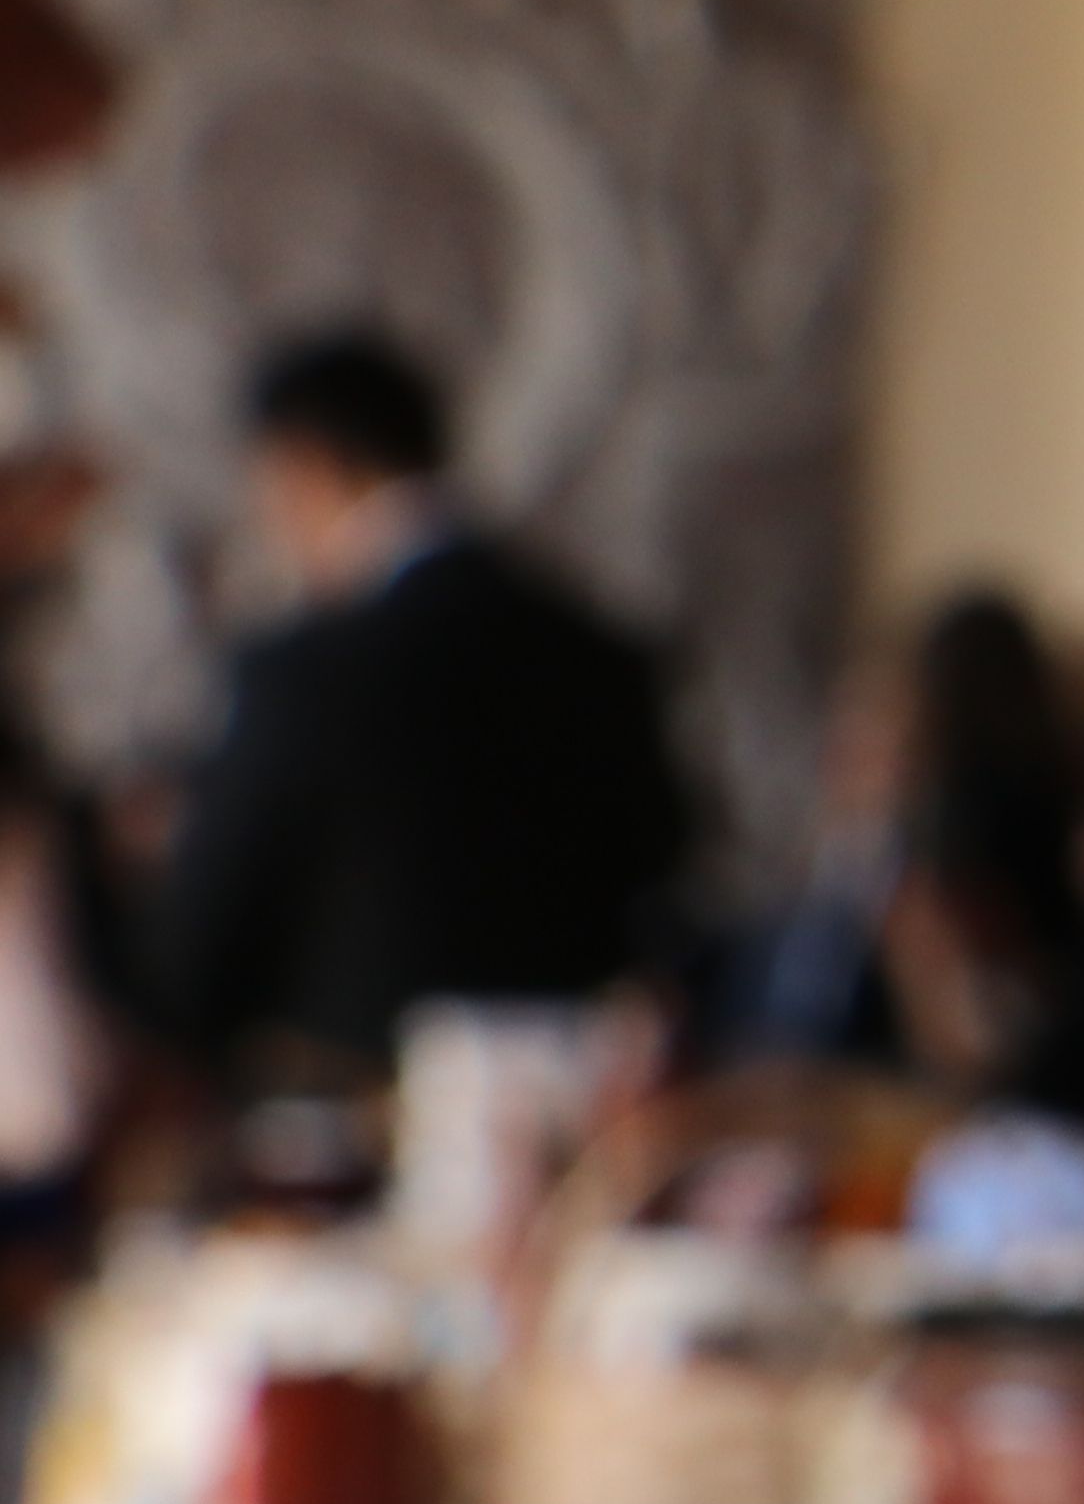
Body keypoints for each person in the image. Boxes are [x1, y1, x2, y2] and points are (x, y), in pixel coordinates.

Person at [141, 327, 691, 1081]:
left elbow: (205, 945)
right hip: (584, 1102)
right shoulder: (595, 649)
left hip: (363, 1112)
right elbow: (664, 856)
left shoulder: (304, 670)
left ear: (304, 466)